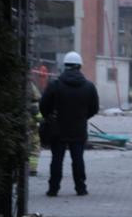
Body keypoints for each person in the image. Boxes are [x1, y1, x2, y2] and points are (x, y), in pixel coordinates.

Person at [39, 51, 98, 196]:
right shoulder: (89, 87)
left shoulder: (55, 85)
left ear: (65, 66)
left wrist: (50, 117)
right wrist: (82, 117)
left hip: (58, 129)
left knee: (57, 160)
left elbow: (43, 105)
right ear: (80, 66)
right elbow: (94, 108)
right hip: (78, 129)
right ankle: (81, 188)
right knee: (78, 159)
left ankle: (53, 189)